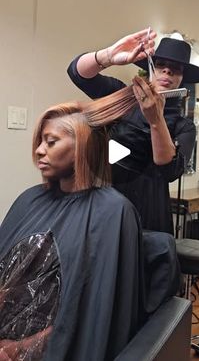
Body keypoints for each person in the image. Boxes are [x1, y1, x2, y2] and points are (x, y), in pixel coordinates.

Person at [0, 100, 179, 361]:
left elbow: (87, 314)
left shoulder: (113, 212)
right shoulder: (29, 199)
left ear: (82, 148)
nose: (39, 151)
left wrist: (19, 349)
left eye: (51, 142)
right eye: (40, 141)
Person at [67, 28, 199, 234]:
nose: (167, 72)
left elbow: (170, 171)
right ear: (151, 68)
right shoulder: (122, 97)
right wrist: (108, 55)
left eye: (175, 69)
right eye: (161, 65)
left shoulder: (183, 126)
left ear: (182, 77)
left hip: (149, 209)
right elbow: (78, 74)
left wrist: (155, 120)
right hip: (106, 197)